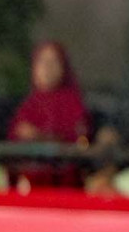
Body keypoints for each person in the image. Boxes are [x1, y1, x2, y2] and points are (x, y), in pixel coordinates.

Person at [8, 41, 91, 188]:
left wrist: (39, 136)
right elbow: (13, 147)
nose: (47, 67)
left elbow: (79, 144)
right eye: (42, 61)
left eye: (53, 61)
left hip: (64, 185)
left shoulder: (73, 104)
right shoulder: (28, 105)